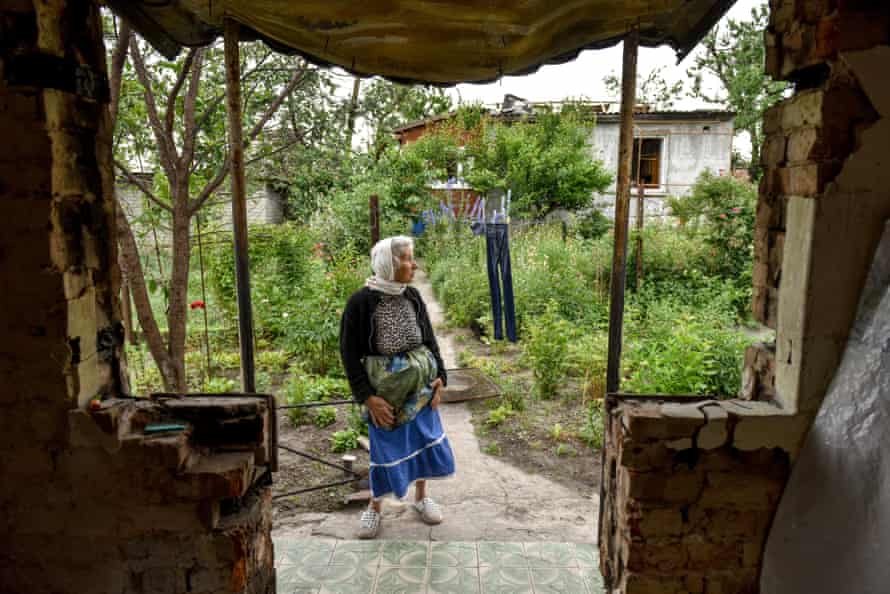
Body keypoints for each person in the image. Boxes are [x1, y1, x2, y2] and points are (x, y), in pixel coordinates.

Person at [339, 235, 455, 539]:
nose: (413, 264)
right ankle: (374, 508)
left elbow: (429, 340)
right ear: (388, 264)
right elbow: (349, 354)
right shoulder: (360, 302)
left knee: (421, 439)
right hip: (385, 393)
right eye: (406, 258)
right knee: (384, 447)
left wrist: (440, 377)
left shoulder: (412, 296)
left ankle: (420, 498)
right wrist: (367, 397)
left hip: (421, 387)